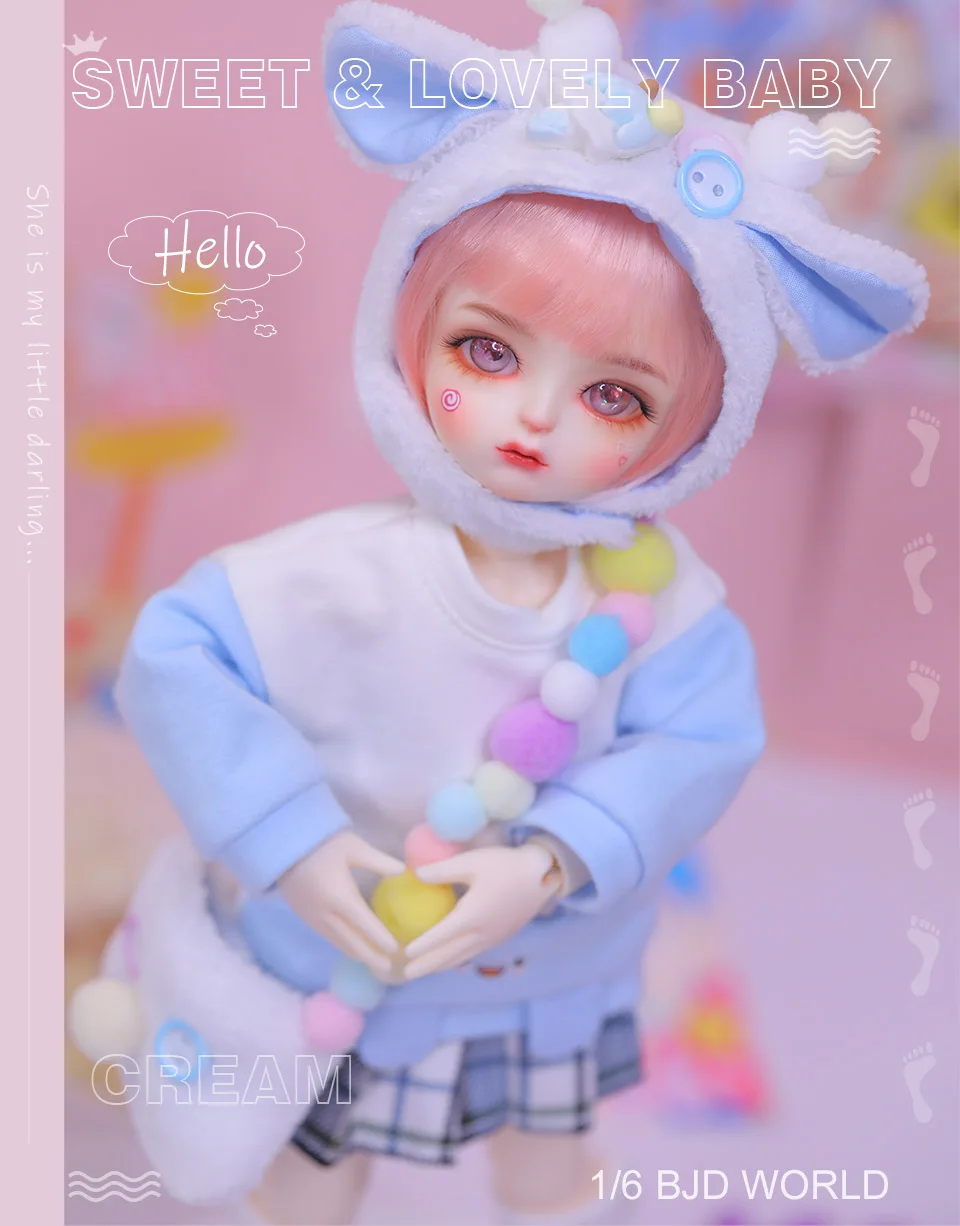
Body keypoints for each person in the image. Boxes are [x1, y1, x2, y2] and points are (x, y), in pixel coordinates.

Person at [68, 2, 928, 1223]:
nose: (535, 415)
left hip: (552, 977)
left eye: (616, 396)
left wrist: (551, 858)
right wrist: (292, 840)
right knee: (308, 1177)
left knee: (551, 1173)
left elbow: (701, 739)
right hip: (339, 963)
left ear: (697, 425)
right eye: (487, 350)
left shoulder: (664, 601)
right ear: (409, 324)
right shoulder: (337, 572)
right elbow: (176, 654)